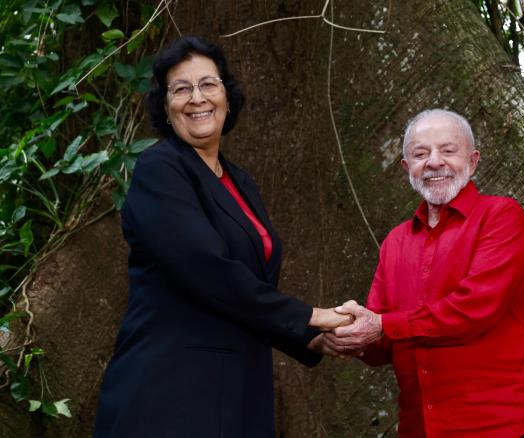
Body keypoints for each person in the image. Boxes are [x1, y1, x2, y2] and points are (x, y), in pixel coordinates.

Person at [93, 36, 350, 438]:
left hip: (239, 388)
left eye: (208, 84)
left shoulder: (241, 182)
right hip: (172, 392)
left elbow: (247, 289)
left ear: (228, 97)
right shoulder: (159, 170)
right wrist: (311, 316)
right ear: (165, 106)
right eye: (181, 88)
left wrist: (308, 340)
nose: (197, 98)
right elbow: (206, 269)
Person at [324, 109, 524, 437]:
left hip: (500, 424)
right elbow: (380, 341)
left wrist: (381, 325)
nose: (434, 162)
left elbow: (474, 309)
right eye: (420, 154)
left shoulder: (501, 216)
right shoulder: (395, 242)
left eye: (448, 150)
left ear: (472, 161)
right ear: (407, 168)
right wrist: (344, 335)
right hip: (420, 428)